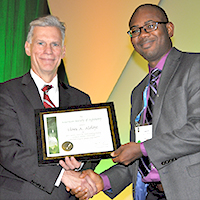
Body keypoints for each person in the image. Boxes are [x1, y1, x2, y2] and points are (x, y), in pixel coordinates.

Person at [62, 3, 200, 200]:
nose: (142, 34)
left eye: (150, 26)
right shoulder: (138, 92)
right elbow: (138, 159)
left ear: (169, 29)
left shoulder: (194, 66)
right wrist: (102, 181)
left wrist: (141, 148)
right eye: (135, 30)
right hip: (149, 194)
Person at [0, 15, 98, 200]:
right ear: (28, 48)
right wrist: (62, 175)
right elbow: (7, 149)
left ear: (63, 51)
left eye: (55, 44)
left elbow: (92, 152)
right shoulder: (5, 93)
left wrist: (79, 165)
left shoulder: (81, 98)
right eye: (40, 43)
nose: (48, 51)